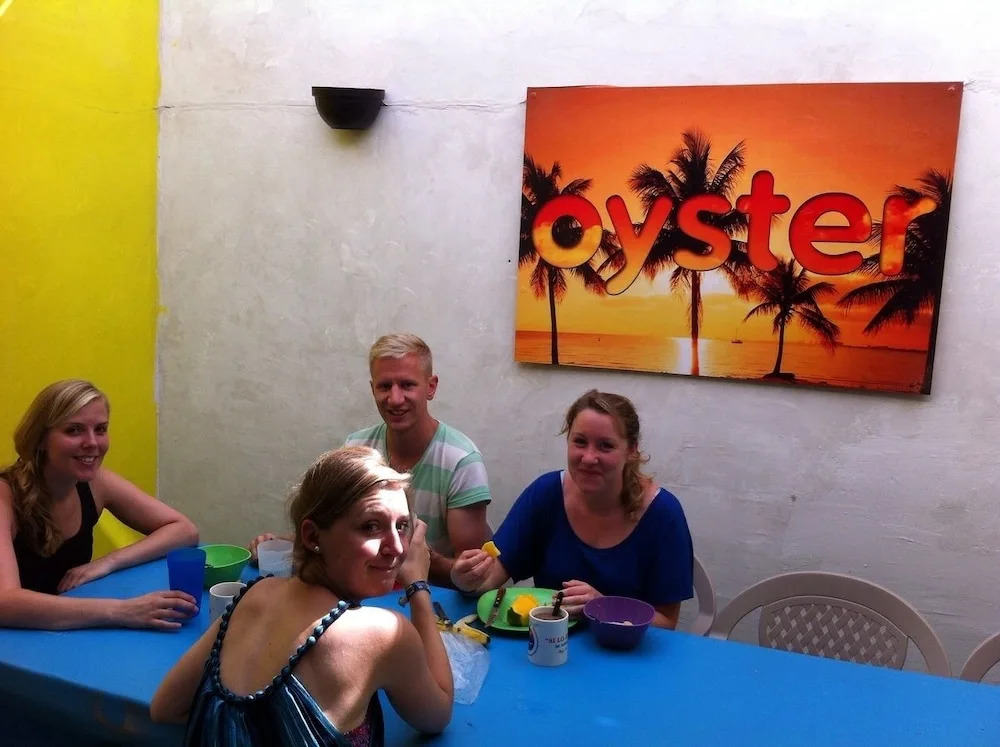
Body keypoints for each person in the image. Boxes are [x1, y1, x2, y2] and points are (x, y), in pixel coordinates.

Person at [152, 446, 453, 745]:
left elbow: (164, 707)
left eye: (402, 526)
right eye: (370, 526)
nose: (397, 547)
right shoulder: (385, 634)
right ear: (311, 536)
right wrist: (418, 586)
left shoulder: (254, 593)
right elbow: (437, 715)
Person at [250, 333, 492, 587]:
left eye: (407, 385)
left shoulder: (462, 461)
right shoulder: (356, 447)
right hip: (364, 591)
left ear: (431, 387)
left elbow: (471, 576)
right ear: (372, 388)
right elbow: (332, 532)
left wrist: (418, 557)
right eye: (384, 386)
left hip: (434, 599)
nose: (395, 399)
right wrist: (280, 544)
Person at [450, 390, 694, 630]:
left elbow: (666, 622)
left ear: (631, 451)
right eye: (580, 442)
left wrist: (603, 607)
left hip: (626, 651)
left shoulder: (663, 514)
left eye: (605, 446)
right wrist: (466, 580)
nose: (588, 458)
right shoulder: (546, 494)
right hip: (546, 644)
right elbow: (493, 576)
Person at [0, 380, 200, 630]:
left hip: (62, 634)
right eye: (74, 430)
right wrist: (122, 610)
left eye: (101, 429)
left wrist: (108, 562)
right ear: (40, 438)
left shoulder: (95, 483)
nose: (92, 443)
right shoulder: (5, 495)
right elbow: (5, 602)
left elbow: (184, 530)